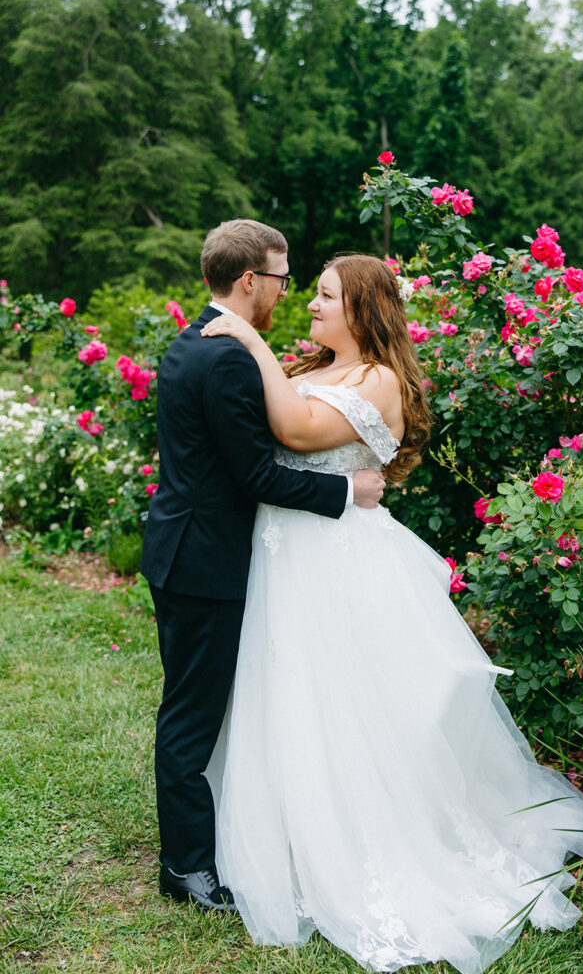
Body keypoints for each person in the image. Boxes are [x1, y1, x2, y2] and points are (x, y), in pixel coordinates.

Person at [200, 253, 583, 973]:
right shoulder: (315, 368)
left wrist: (248, 337)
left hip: (336, 564)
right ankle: (289, 834)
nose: (312, 306)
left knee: (349, 705)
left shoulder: (379, 379)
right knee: (289, 693)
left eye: (326, 296)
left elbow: (296, 432)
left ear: (363, 309)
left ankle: (365, 842)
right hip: (283, 555)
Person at [140, 221, 385, 913]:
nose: (288, 292)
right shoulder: (227, 356)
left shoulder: (195, 339)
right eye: (281, 278)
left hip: (184, 547)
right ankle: (186, 866)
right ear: (250, 280)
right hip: (204, 560)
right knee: (191, 716)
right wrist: (346, 490)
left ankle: (211, 842)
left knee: (196, 706)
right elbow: (257, 476)